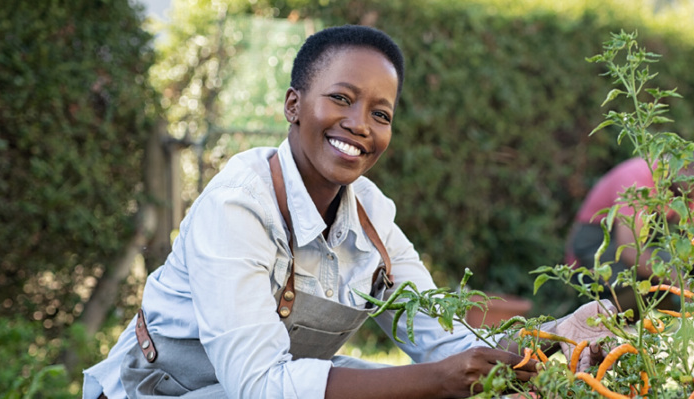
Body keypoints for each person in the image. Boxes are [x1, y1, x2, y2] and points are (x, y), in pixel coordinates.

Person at [83, 25, 615, 399]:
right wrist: (441, 383)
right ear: (293, 105)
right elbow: (260, 386)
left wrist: (550, 342)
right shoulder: (238, 206)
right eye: (341, 98)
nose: (360, 124)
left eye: (380, 113)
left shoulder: (372, 220)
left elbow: (443, 341)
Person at [565, 156, 694, 316]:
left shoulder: (686, 190)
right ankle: (593, 319)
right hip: (592, 252)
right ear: (684, 168)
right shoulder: (638, 179)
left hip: (632, 251)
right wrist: (680, 282)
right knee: (665, 264)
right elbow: (629, 250)